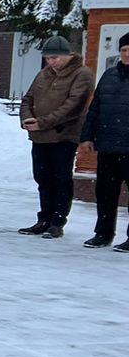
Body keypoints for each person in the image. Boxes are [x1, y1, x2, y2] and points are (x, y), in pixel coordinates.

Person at [18, 35, 94, 239]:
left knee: (60, 179)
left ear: (68, 55)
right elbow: (28, 99)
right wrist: (27, 119)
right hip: (39, 137)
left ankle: (57, 222)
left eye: (56, 58)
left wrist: (42, 122)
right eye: (49, 58)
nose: (53, 62)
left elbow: (73, 106)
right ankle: (43, 218)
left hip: (63, 136)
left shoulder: (82, 74)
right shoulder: (44, 74)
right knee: (42, 177)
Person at [80, 31, 129, 250]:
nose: (127, 54)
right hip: (108, 146)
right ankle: (103, 233)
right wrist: (87, 136)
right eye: (124, 50)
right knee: (105, 194)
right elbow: (95, 108)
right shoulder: (109, 76)